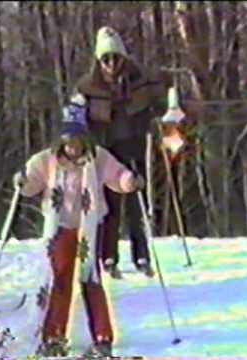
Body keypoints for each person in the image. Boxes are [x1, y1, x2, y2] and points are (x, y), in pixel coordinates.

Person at [13, 102, 144, 357]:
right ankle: (54, 336)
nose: (73, 147)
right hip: (59, 227)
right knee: (59, 279)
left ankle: (102, 336)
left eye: (78, 140)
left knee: (90, 278)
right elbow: (31, 184)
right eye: (68, 141)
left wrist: (130, 181)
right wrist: (22, 181)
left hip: (89, 227)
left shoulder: (98, 158)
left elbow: (117, 177)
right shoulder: (47, 160)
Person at [70, 26, 192, 278]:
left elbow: (163, 106)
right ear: (98, 61)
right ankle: (108, 256)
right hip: (104, 152)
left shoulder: (140, 81)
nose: (111, 64)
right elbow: (74, 119)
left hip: (134, 146)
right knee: (108, 204)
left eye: (116, 58)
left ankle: (142, 255)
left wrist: (171, 118)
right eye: (106, 59)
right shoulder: (87, 87)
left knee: (137, 203)